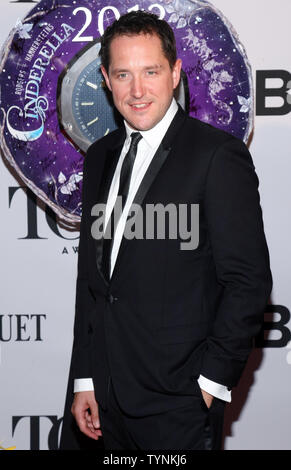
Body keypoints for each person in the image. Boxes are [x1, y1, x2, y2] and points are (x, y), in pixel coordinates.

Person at [60, 11, 272, 450]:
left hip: (179, 403)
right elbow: (94, 284)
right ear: (105, 79)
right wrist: (85, 376)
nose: (137, 91)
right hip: (104, 399)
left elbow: (248, 282)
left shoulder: (217, 156)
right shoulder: (99, 156)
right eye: (123, 74)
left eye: (151, 72)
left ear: (175, 73)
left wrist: (210, 384)